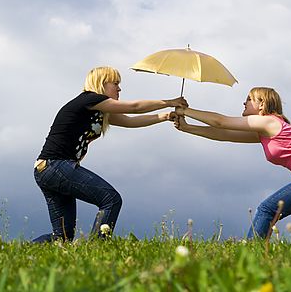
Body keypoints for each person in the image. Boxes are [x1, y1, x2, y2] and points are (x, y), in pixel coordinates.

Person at [173, 86, 291, 241]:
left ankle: (250, 257)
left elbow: (220, 122)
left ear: (262, 104)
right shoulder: (266, 130)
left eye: (249, 99)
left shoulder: (270, 122)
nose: (244, 103)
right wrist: (187, 127)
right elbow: (224, 135)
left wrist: (185, 110)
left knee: (267, 209)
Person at [32, 65, 187, 242]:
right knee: (110, 199)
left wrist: (165, 116)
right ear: (102, 83)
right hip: (55, 165)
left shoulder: (98, 109)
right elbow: (134, 107)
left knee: (62, 238)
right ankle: (98, 248)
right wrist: (169, 101)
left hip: (46, 169)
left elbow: (130, 122)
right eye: (115, 83)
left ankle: (23, 254)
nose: (119, 88)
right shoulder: (89, 99)